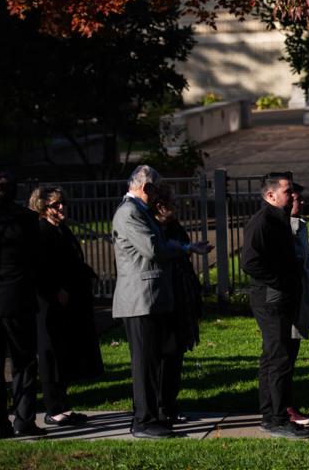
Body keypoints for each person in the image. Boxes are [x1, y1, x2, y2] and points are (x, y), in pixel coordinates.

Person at [112, 165, 208, 439]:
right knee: (144, 363)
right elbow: (153, 249)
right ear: (146, 188)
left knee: (154, 361)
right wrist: (184, 248)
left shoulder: (139, 212)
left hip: (152, 299)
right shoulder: (129, 213)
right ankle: (143, 420)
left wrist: (185, 248)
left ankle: (154, 415)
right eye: (155, 189)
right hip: (139, 300)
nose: (157, 197)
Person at [241, 173, 309, 439]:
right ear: (270, 196)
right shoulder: (263, 221)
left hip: (282, 295)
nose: (292, 195)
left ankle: (273, 414)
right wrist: (279, 280)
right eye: (287, 191)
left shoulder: (280, 220)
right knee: (278, 356)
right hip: (271, 297)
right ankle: (276, 418)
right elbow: (249, 262)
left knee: (276, 355)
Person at [30, 186, 103, 428]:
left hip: (67, 302)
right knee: (50, 354)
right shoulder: (41, 231)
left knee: (63, 354)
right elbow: (40, 268)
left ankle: (63, 404)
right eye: (55, 204)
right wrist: (56, 289)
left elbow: (73, 261)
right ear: (43, 207)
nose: (61, 207)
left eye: (63, 203)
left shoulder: (62, 229)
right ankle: (53, 408)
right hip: (49, 304)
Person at [0, 171, 45, 438]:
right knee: (24, 362)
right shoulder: (27, 220)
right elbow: (36, 260)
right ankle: (24, 418)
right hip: (19, 298)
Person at [147, 185, 204, 427]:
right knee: (164, 355)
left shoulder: (174, 227)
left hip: (181, 297)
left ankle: (169, 404)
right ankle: (160, 406)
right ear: (160, 206)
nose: (177, 208)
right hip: (164, 299)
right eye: (173, 203)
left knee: (175, 356)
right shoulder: (153, 229)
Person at [288, 181, 309, 428]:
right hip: (289, 297)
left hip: (303, 294)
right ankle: (284, 407)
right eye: (296, 199)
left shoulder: (301, 226)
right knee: (283, 354)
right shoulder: (284, 227)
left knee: (292, 349)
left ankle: (286, 403)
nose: (300, 203)